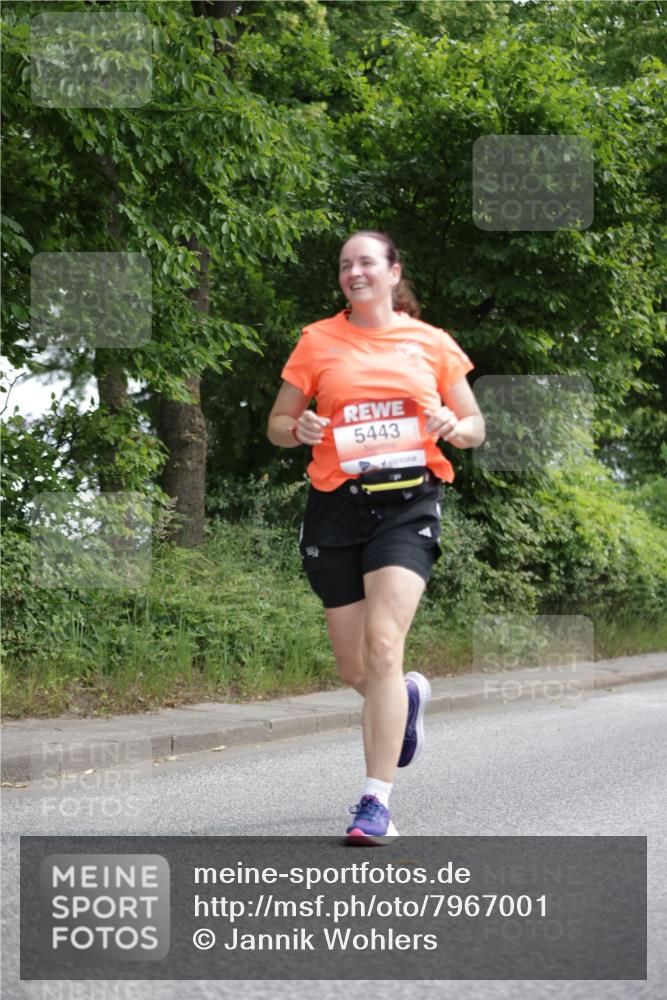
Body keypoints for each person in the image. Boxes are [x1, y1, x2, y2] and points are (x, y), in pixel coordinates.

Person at [267, 230, 485, 844]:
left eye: (367, 262)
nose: (354, 272)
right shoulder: (317, 341)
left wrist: (453, 423)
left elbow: (473, 425)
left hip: (408, 505)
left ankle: (375, 802)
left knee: (385, 647)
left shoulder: (432, 343)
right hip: (336, 508)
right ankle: (407, 700)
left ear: (393, 272)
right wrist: (300, 427)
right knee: (357, 668)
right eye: (345, 265)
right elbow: (278, 424)